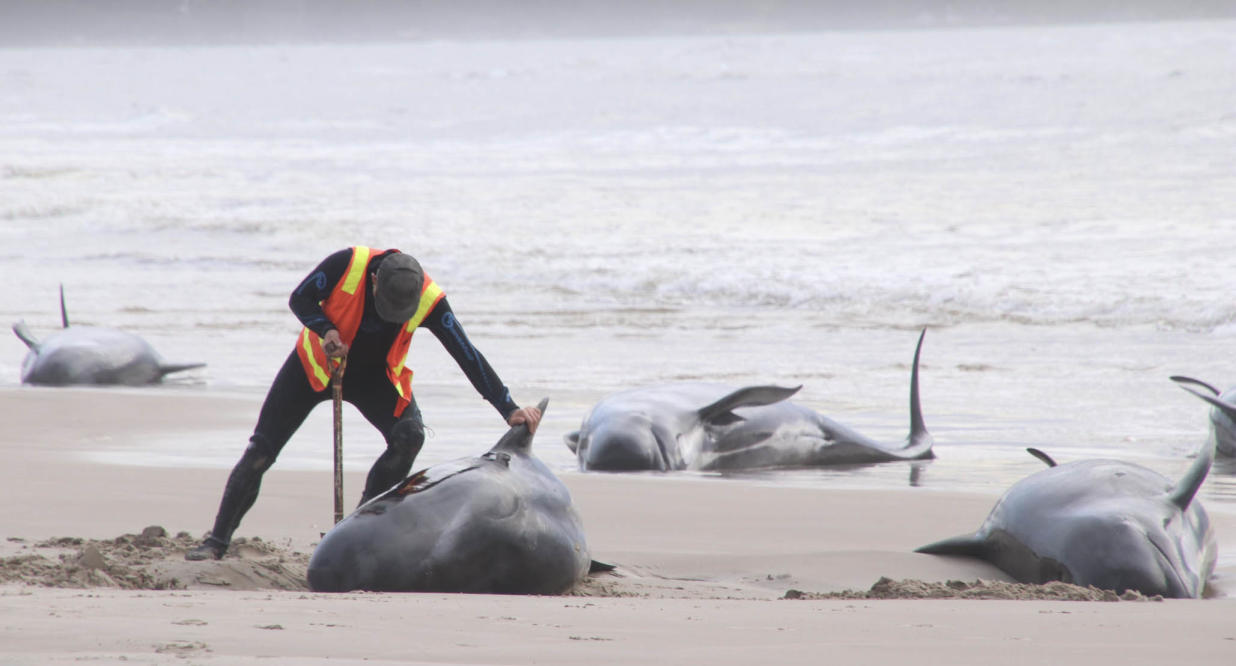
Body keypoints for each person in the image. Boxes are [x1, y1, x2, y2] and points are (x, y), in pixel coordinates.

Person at [185, 246, 541, 561]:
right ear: (374, 282)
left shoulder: (430, 298)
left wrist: (507, 407)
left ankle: (355, 532)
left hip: (375, 378)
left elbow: (466, 353)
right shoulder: (346, 265)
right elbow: (300, 299)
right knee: (262, 450)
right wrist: (326, 329)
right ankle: (216, 542)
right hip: (315, 366)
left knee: (409, 436)